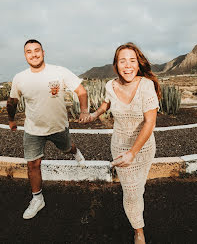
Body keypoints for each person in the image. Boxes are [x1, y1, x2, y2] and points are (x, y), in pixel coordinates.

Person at [82, 42, 161, 244]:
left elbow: (150, 123)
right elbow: (107, 102)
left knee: (139, 187)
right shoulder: (110, 85)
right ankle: (139, 230)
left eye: (132, 61)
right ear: (116, 65)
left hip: (143, 148)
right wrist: (94, 115)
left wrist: (133, 153)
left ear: (138, 64)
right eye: (122, 61)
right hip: (119, 147)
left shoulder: (146, 85)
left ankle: (137, 213)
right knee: (132, 191)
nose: (127, 66)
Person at [7, 39, 89, 220]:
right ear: (25, 56)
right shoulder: (20, 78)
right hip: (33, 130)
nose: (34, 54)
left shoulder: (59, 71)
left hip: (58, 127)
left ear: (43, 53)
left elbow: (81, 91)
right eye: (29, 51)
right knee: (33, 164)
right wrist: (11, 120)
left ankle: (75, 152)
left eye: (37, 50)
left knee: (68, 148)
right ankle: (37, 199)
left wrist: (84, 110)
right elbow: (12, 101)